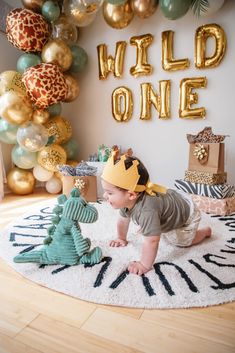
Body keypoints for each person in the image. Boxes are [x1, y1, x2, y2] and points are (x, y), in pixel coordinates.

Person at [101, 151, 212, 276]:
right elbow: (122, 220)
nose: (104, 196)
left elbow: (152, 241)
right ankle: (160, 218)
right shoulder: (126, 201)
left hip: (186, 213)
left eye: (109, 193)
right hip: (170, 200)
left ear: (131, 195)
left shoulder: (147, 210)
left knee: (180, 241)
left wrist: (144, 264)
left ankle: (205, 232)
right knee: (154, 226)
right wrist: (121, 238)